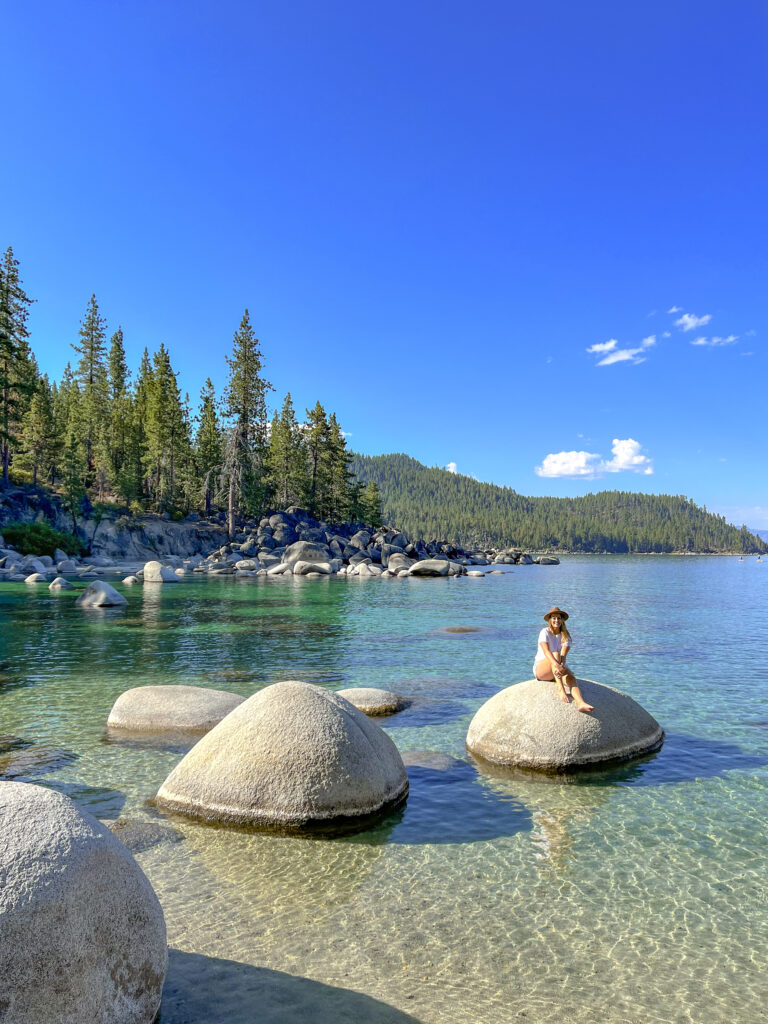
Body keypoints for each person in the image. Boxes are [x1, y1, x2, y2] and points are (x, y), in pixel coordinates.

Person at [534, 607, 594, 713]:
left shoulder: (565, 635)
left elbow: (563, 655)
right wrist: (557, 666)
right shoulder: (545, 632)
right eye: (554, 618)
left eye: (559, 618)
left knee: (571, 677)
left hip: (557, 667)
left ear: (562, 620)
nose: (556, 620)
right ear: (550, 620)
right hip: (542, 670)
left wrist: (561, 667)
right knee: (555, 654)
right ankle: (561, 690)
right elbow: (547, 652)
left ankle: (581, 703)